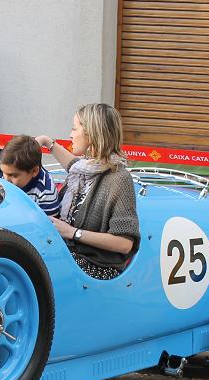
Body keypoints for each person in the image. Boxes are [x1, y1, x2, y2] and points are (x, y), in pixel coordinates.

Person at [35, 103, 139, 280]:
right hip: (70, 257)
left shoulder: (119, 179)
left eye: (74, 129)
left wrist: (73, 232)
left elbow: (124, 244)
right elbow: (72, 164)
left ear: (91, 135)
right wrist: (46, 141)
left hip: (97, 266)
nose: (70, 135)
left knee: (35, 268)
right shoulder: (84, 170)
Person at [0, 135, 61, 216]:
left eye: (13, 175)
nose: (6, 180)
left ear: (34, 171)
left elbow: (48, 223)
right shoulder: (10, 177)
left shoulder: (45, 194)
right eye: (3, 172)